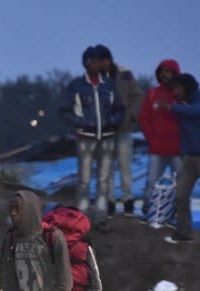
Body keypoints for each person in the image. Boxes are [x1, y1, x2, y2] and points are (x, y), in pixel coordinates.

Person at [59, 46, 123, 226]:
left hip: (107, 137)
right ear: (87, 64)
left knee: (104, 178)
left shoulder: (109, 85)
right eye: (94, 61)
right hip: (85, 137)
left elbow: (120, 108)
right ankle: (82, 215)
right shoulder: (76, 86)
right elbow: (63, 110)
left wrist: (113, 120)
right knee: (84, 178)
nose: (98, 64)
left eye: (99, 61)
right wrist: (80, 122)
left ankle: (101, 216)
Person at [163, 73, 200, 248]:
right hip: (190, 157)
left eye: (177, 88)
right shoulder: (182, 106)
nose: (175, 91)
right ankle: (184, 232)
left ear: (186, 87)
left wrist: (173, 107)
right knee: (180, 194)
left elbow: (195, 112)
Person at [96, 45, 143, 217]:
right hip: (105, 131)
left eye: (102, 60)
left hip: (123, 129)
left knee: (125, 167)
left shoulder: (125, 74)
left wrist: (131, 117)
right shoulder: (94, 77)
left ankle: (128, 202)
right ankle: (109, 203)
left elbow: (137, 96)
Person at [138, 59, 182, 217]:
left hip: (178, 148)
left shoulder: (181, 94)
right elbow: (144, 118)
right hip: (157, 148)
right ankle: (148, 209)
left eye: (168, 71)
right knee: (152, 181)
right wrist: (152, 138)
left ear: (175, 73)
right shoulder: (152, 94)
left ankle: (179, 212)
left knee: (181, 182)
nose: (165, 75)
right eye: (162, 71)